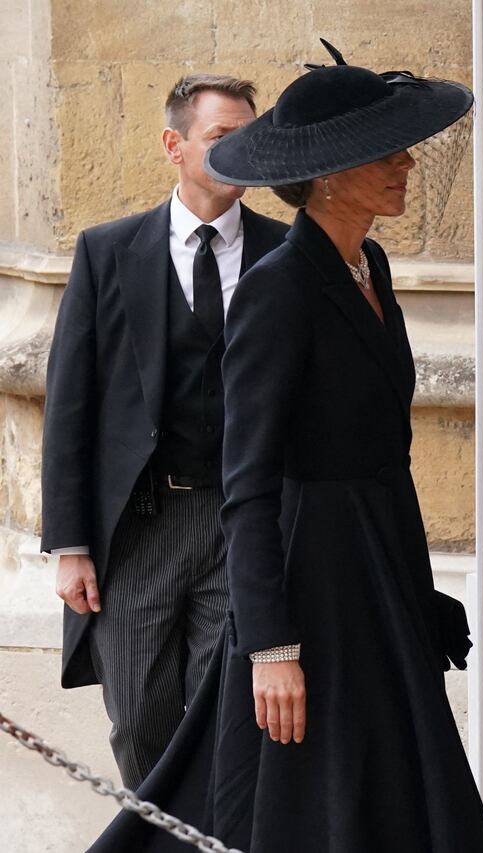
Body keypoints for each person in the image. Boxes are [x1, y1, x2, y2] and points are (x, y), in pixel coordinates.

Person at [89, 43, 483, 852]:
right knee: (303, 801)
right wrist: (271, 645)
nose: (407, 164)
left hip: (376, 577)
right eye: (388, 151)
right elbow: (248, 483)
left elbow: (390, 455)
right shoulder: (278, 286)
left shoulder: (370, 266)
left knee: (398, 791)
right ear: (333, 172)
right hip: (309, 585)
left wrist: (417, 595)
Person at [40, 74, 288, 788]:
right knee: (139, 720)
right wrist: (71, 544)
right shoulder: (106, 252)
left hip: (241, 519)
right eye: (221, 137)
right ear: (173, 146)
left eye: (250, 134)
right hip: (139, 527)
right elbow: (70, 405)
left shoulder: (283, 252)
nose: (240, 149)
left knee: (228, 710)